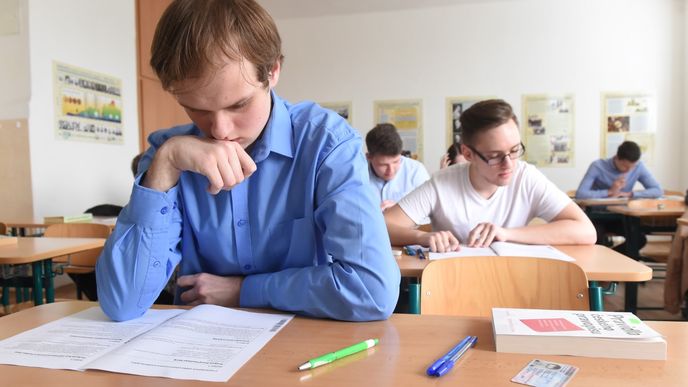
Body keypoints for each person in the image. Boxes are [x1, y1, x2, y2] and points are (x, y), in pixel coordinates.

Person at [96, 0, 399, 322]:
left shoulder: (327, 144)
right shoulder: (167, 153)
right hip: (198, 347)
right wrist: (166, 164)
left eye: (239, 105)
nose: (220, 130)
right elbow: (121, 304)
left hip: (306, 340)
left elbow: (371, 291)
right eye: (196, 108)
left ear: (273, 71)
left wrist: (244, 290)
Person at [384, 99, 596, 252]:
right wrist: (423, 237)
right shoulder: (442, 184)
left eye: (514, 150)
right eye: (494, 156)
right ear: (467, 154)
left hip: (516, 284)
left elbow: (586, 231)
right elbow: (382, 226)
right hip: (454, 287)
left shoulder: (527, 177)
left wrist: (506, 233)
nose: (509, 164)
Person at [366, 123, 429, 211]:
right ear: (369, 157)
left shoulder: (416, 171)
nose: (391, 170)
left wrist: (401, 210)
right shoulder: (356, 175)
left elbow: (430, 210)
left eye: (396, 162)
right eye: (383, 165)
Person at [575, 141, 662, 199]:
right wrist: (609, 192)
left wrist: (630, 194)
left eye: (632, 167)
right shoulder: (597, 166)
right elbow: (581, 194)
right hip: (599, 213)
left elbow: (657, 190)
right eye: (625, 166)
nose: (629, 170)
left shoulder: (639, 166)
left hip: (625, 212)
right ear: (617, 158)